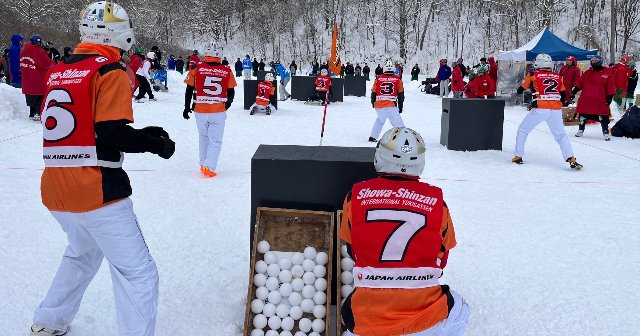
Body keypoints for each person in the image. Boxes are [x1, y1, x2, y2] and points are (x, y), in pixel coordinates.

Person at [30, 2, 175, 336]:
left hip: (56, 188)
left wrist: (143, 135)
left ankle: (49, 320)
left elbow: (89, 126)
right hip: (97, 189)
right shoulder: (108, 71)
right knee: (138, 273)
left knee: (82, 254)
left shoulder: (59, 69)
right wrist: (154, 144)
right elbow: (111, 132)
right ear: (117, 34)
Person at [340, 127, 470, 336]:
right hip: (424, 318)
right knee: (461, 308)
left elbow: (351, 251)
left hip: (366, 320)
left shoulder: (355, 196)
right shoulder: (438, 203)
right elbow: (442, 259)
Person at [512, 53, 583, 170]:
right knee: (560, 135)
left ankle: (518, 156)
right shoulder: (557, 75)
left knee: (523, 130)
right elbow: (564, 94)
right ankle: (571, 158)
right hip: (555, 109)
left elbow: (520, 90)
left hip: (540, 107)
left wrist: (529, 84)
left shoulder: (533, 74)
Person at [183, 47, 236, 177]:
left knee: (203, 136)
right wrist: (227, 104)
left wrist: (186, 107)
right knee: (215, 141)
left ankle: (202, 163)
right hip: (218, 110)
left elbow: (189, 89)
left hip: (200, 109)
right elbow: (231, 91)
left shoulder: (196, 68)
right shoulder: (226, 70)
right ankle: (209, 167)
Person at [573, 55, 616, 140]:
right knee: (583, 115)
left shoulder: (607, 73)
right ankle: (581, 129)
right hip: (586, 98)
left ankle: (605, 132)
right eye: (592, 61)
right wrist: (573, 93)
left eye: (595, 61)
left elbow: (610, 86)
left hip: (600, 99)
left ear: (600, 61)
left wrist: (610, 97)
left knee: (603, 115)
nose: (593, 62)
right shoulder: (588, 72)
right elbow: (579, 84)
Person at [368, 61, 405, 142]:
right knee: (398, 123)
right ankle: (403, 138)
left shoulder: (378, 78)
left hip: (379, 104)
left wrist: (373, 103)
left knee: (380, 120)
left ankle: (373, 136)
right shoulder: (397, 79)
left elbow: (373, 92)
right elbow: (401, 94)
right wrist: (401, 106)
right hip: (390, 104)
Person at [20, 35, 54, 121]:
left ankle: (31, 113)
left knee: (30, 96)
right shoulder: (39, 52)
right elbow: (47, 64)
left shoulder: (23, 51)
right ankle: (38, 113)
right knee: (40, 96)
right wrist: (50, 59)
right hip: (38, 78)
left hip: (27, 77)